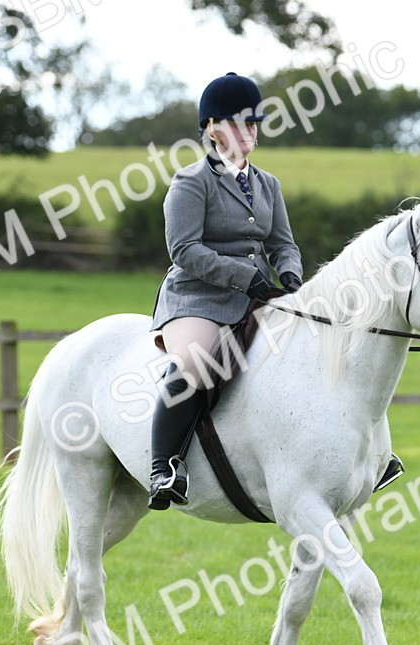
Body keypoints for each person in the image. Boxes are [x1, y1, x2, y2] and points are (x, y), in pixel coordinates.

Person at [147, 71, 303, 510]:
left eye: (254, 123)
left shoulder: (268, 184)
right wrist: (243, 276)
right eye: (239, 123)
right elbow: (184, 250)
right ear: (213, 128)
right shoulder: (191, 181)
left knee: (313, 349)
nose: (250, 131)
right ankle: (164, 467)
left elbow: (283, 245)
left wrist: (290, 276)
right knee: (196, 366)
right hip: (198, 298)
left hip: (256, 297)